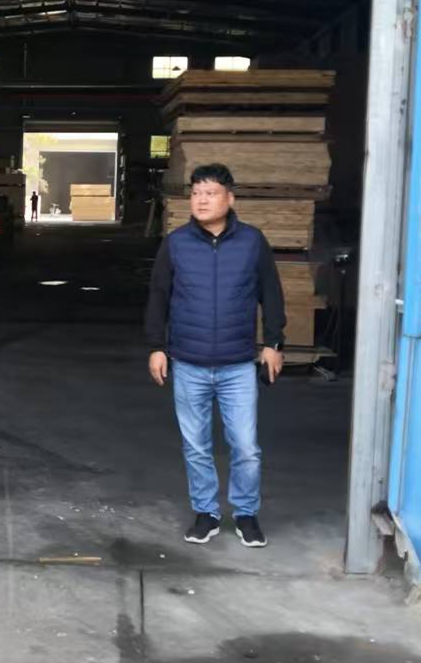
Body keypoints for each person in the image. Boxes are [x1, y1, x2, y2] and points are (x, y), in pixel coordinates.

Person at [144, 163, 285, 549]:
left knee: (246, 447)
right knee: (196, 446)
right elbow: (158, 296)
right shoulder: (176, 244)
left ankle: (246, 513)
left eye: (210, 193)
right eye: (195, 193)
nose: (201, 200)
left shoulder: (252, 242)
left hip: (237, 365)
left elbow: (271, 292)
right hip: (188, 363)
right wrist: (156, 347)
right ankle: (206, 512)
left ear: (230, 198)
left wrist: (274, 342)